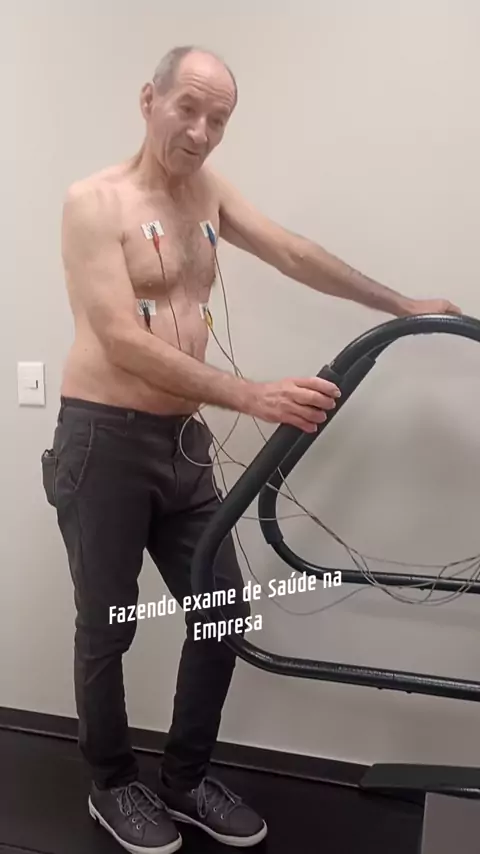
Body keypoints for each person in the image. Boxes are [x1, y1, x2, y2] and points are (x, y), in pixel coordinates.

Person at [43, 44, 462, 854]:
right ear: (149, 99)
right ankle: (111, 784)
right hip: (103, 440)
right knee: (107, 625)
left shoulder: (208, 191)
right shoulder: (93, 203)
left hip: (182, 442)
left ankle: (184, 779)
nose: (201, 132)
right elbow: (119, 340)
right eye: (188, 109)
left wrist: (401, 302)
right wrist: (252, 395)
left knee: (223, 612)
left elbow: (291, 251)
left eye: (219, 120)